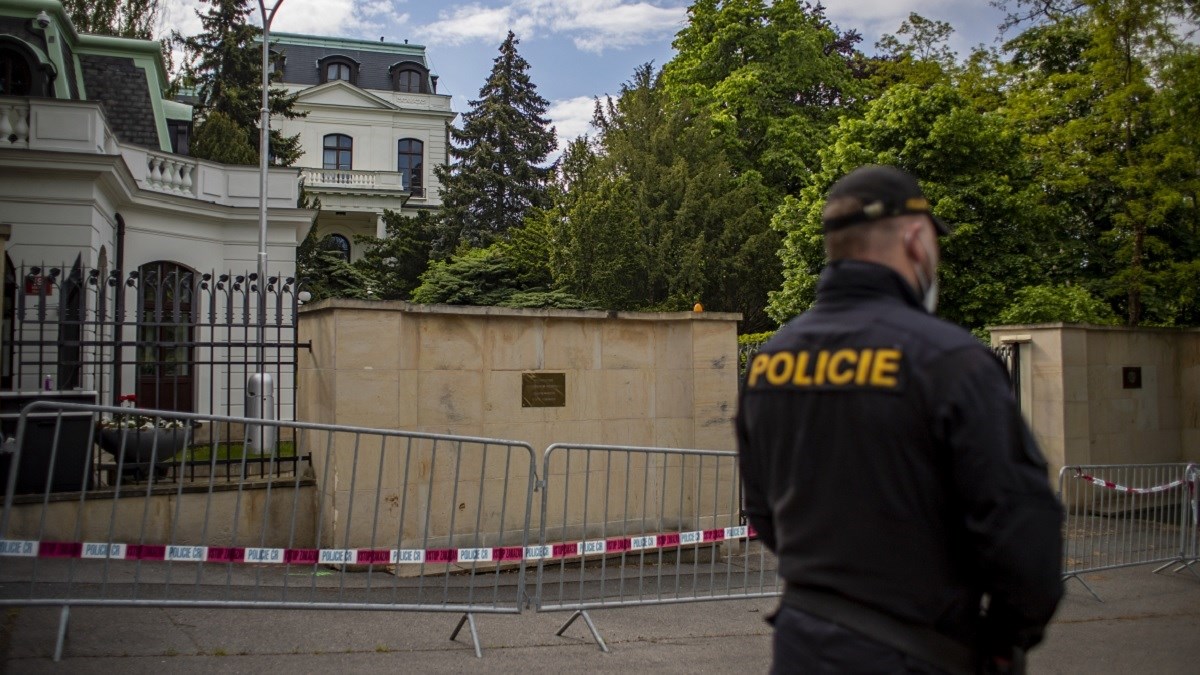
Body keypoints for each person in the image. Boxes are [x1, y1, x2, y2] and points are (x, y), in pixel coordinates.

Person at [736, 165, 1063, 674]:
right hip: (920, 649)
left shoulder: (771, 363)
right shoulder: (949, 359)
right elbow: (1022, 529)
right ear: (915, 237)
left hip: (803, 644)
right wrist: (1005, 638)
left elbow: (763, 511)